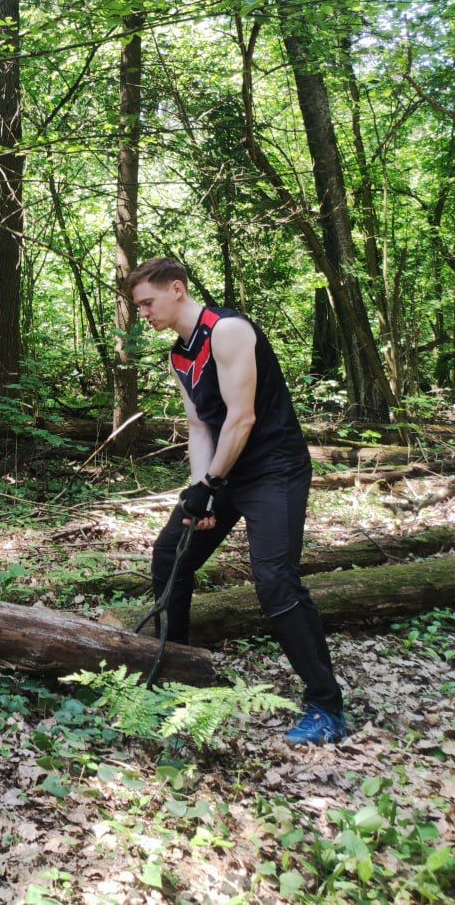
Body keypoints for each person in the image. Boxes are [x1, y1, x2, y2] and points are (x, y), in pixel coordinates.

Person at [127, 257, 346, 746]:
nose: (143, 313)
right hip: (226, 471)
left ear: (177, 289)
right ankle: (177, 669)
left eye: (147, 302)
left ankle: (326, 706)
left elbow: (241, 419)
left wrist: (211, 484)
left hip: (274, 469)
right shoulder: (179, 356)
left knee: (274, 582)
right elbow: (200, 425)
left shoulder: (227, 330)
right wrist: (198, 491)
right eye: (139, 306)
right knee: (171, 554)